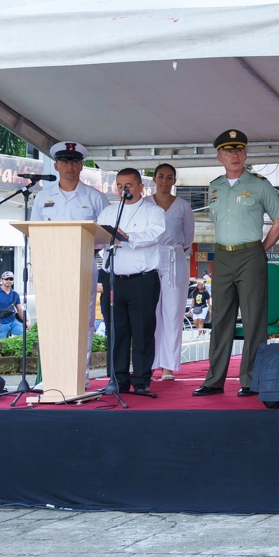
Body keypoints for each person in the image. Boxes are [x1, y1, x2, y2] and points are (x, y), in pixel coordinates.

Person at [194, 130, 279, 397]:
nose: (234, 156)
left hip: (250, 254)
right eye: (228, 151)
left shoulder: (260, 184)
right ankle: (214, 380)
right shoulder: (214, 186)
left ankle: (250, 379)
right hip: (222, 255)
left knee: (253, 318)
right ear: (219, 156)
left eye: (238, 151)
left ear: (245, 155)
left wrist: (261, 249)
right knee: (220, 318)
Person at [101, 168, 166, 394]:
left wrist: (128, 237)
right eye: (119, 185)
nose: (123, 190)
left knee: (142, 331)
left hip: (142, 281)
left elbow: (154, 235)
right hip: (114, 280)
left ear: (140, 187)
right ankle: (117, 379)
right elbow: (99, 243)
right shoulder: (108, 213)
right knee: (116, 332)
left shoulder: (154, 212)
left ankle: (141, 380)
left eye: (128, 185)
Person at [146, 163, 194, 380]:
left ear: (174, 181)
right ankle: (150, 362)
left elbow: (188, 239)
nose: (164, 182)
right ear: (154, 179)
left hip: (175, 258)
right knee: (151, 313)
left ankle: (168, 365)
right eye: (161, 177)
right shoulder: (144, 203)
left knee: (173, 313)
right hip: (149, 259)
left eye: (169, 178)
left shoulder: (183, 206)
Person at [36, 141, 111, 223]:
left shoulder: (96, 197)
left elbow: (106, 231)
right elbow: (33, 229)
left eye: (75, 162)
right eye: (64, 162)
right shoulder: (42, 196)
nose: (70, 166)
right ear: (56, 166)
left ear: (81, 166)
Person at [0, 271, 26, 340]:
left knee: (26, 335)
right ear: (1, 280)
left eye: (11, 279)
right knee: (0, 346)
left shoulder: (15, 294)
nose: (8, 281)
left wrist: (25, 321)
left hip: (13, 322)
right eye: (6, 279)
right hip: (0, 324)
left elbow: (20, 310)